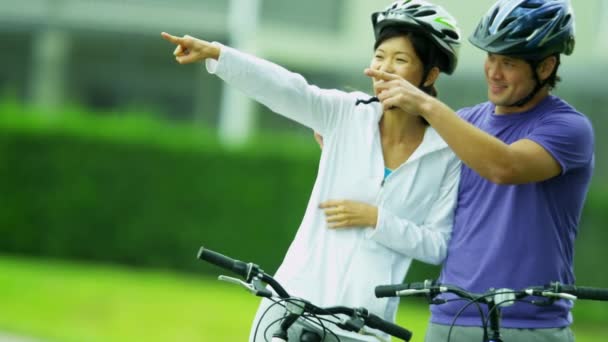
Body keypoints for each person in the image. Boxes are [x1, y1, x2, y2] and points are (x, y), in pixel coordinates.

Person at [162, 1, 462, 340]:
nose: (384, 69)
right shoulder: (346, 115)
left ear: (430, 74)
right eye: (380, 56)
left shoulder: (447, 153)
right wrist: (218, 53)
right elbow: (286, 88)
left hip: (364, 324)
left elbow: (437, 245)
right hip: (291, 304)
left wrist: (376, 219)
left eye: (401, 60)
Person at [365, 0, 594, 341]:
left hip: (529, 327)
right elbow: (401, 142)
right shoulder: (466, 122)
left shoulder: (568, 128)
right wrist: (349, 124)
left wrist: (427, 104)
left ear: (545, 67)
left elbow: (504, 165)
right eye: (490, 57)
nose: (493, 72)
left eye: (508, 62)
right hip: (450, 320)